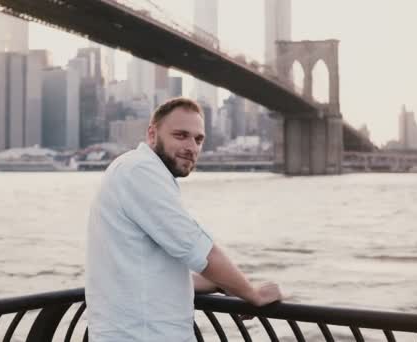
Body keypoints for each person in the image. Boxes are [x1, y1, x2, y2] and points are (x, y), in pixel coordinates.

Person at [85, 97, 282, 341]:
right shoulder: (140, 172)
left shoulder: (135, 170)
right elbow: (197, 249)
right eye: (181, 135)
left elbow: (152, 275)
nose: (192, 146)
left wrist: (223, 284)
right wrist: (253, 294)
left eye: (198, 139)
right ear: (152, 134)